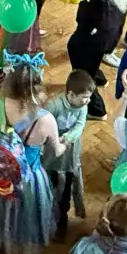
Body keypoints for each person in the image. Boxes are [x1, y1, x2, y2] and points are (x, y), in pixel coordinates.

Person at [0, 63, 60, 254]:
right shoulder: (45, 119)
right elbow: (57, 150)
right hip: (30, 179)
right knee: (30, 224)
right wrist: (68, 141)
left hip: (0, 176)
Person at [43, 70, 92, 237]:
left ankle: (62, 220)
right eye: (84, 97)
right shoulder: (54, 105)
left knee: (67, 188)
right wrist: (55, 139)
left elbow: (79, 125)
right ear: (71, 94)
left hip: (70, 153)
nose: (87, 101)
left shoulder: (83, 106)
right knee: (52, 185)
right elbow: (45, 125)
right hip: (53, 153)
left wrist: (67, 137)